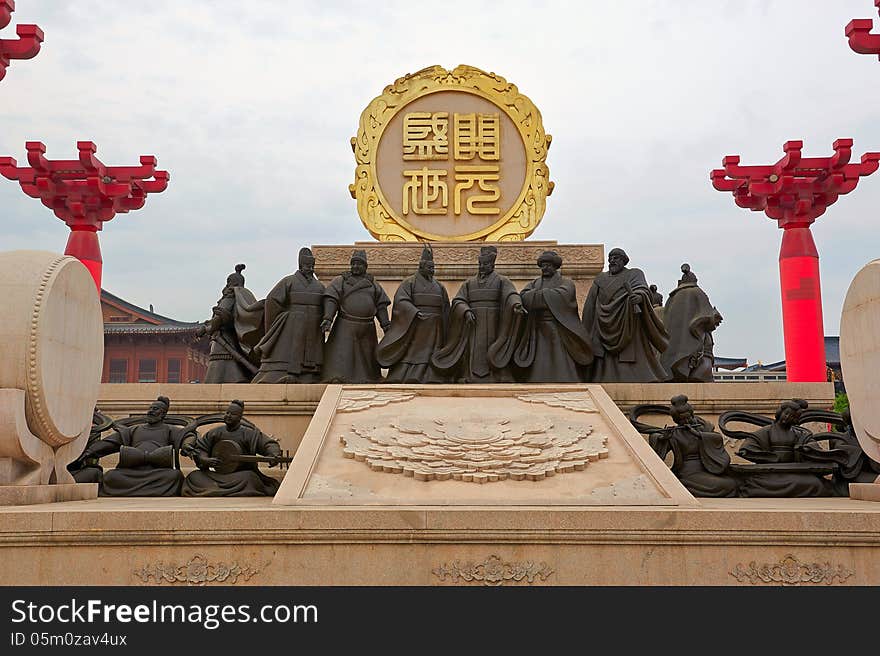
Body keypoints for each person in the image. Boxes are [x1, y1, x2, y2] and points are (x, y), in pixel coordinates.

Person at [432, 245, 526, 382]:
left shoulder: (502, 281)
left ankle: (496, 375)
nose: (482, 267)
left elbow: (511, 295)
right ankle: (469, 375)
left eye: (486, 264)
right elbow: (459, 300)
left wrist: (516, 305)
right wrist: (465, 311)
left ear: (492, 265)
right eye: (480, 264)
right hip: (474, 321)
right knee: (473, 349)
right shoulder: (469, 283)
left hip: (494, 321)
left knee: (494, 347)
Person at [581, 247, 669, 382]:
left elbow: (642, 289)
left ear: (624, 260)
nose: (612, 261)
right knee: (603, 362)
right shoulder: (600, 279)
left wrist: (639, 297)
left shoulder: (634, 274)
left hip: (626, 322)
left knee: (630, 355)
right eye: (610, 258)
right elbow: (590, 304)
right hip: (603, 324)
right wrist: (586, 330)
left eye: (616, 258)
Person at [68, 396, 185, 496]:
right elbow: (110, 443)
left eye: (155, 409)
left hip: (157, 471)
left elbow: (186, 436)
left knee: (175, 476)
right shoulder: (134, 429)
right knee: (111, 476)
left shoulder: (170, 430)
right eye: (150, 408)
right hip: (131, 471)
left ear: (163, 413)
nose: (150, 411)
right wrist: (89, 452)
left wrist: (188, 446)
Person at [733, 399, 846, 497]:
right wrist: (747, 451)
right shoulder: (767, 431)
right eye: (786, 414)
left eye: (792, 417)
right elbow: (750, 444)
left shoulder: (799, 434)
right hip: (771, 472)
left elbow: (813, 445)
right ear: (780, 412)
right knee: (754, 482)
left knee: (814, 483)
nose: (788, 417)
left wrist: (807, 449)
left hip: (793, 470)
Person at [513, 250, 592, 382]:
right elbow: (524, 296)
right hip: (537, 328)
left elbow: (563, 296)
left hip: (558, 327)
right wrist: (546, 296)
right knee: (540, 360)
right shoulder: (534, 283)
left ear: (555, 266)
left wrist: (537, 296)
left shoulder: (566, 282)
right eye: (543, 265)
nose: (545, 268)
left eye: (548, 265)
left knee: (559, 357)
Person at [377, 244, 450, 383]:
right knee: (413, 351)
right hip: (416, 323)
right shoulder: (409, 283)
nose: (432, 270)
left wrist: (445, 319)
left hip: (435, 326)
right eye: (429, 268)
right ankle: (408, 375)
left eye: (433, 268)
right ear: (421, 267)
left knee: (432, 352)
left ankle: (431, 375)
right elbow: (401, 300)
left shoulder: (439, 286)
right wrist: (414, 312)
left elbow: (446, 305)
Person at [252, 248, 326, 383]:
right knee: (292, 349)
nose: (309, 269)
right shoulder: (289, 281)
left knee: (311, 354)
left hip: (313, 322)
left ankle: (310, 373)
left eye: (311, 266)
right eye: (306, 266)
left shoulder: (319, 286)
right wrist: (281, 317)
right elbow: (272, 300)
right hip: (293, 322)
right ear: (300, 266)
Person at [181, 400, 283, 497]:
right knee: (194, 476)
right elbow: (201, 449)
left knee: (250, 478)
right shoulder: (215, 432)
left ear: (240, 417)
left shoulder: (249, 433)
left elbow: (268, 444)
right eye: (227, 413)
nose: (228, 416)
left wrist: (274, 454)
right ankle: (219, 489)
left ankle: (214, 489)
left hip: (240, 476)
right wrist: (205, 459)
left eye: (232, 414)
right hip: (217, 475)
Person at [320, 249, 391, 383]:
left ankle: (369, 377)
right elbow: (331, 298)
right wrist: (328, 318)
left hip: (367, 327)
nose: (356, 266)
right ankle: (337, 376)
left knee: (366, 356)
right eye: (354, 264)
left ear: (365, 266)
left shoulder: (373, 284)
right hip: (345, 325)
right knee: (342, 354)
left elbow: (381, 304)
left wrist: (385, 324)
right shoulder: (341, 280)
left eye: (359, 264)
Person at [647, 395, 739, 497]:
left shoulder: (702, 428)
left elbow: (716, 438)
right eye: (683, 419)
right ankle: (683, 485)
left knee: (732, 482)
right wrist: (663, 438)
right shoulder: (675, 433)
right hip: (689, 471)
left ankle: (685, 487)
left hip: (707, 467)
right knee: (726, 485)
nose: (687, 420)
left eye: (689, 417)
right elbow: (656, 451)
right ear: (676, 420)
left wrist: (698, 434)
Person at [660, 264, 723, 383]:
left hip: (673, 341)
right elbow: (707, 316)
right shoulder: (697, 292)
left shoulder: (672, 298)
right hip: (691, 339)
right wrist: (714, 316)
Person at [203, 264, 264, 383]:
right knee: (236, 373)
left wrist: (208, 329)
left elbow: (220, 316)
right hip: (236, 342)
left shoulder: (230, 296)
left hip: (223, 344)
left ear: (231, 282)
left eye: (228, 282)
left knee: (218, 376)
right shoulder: (244, 296)